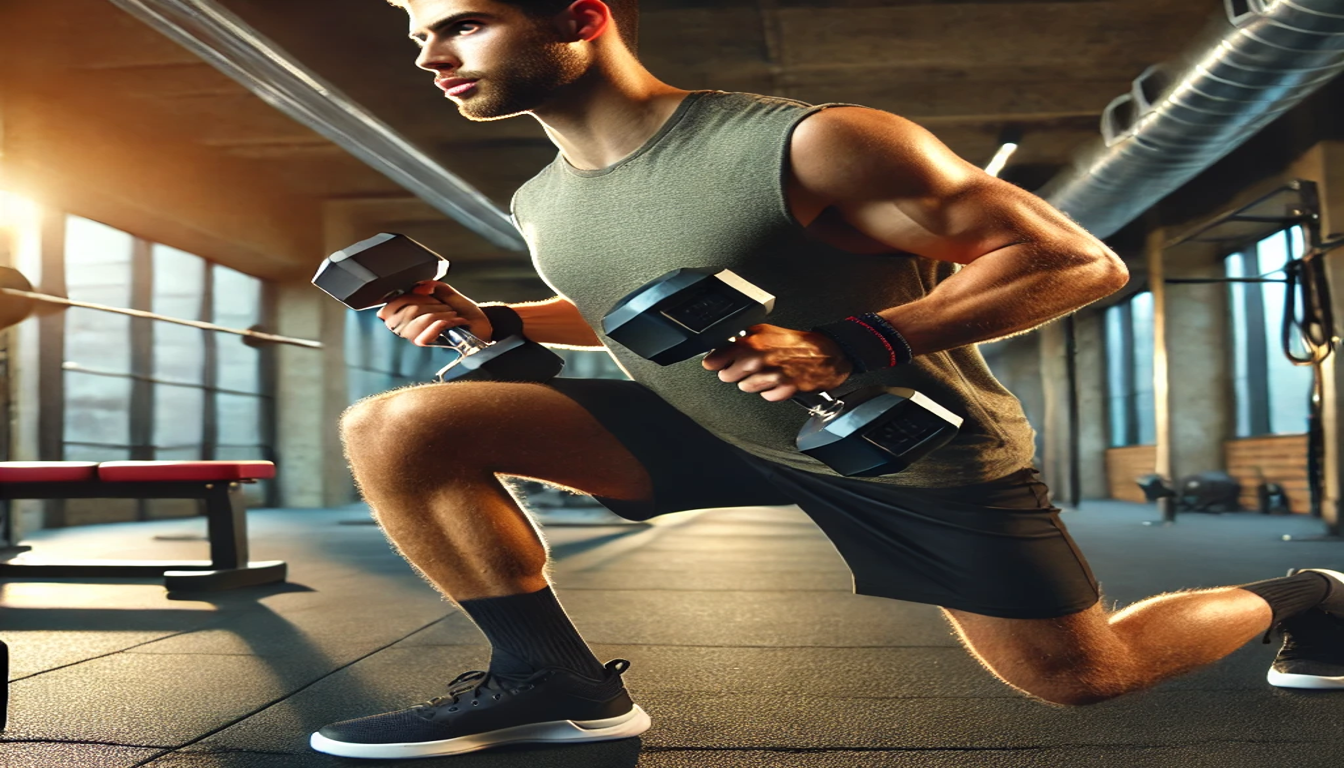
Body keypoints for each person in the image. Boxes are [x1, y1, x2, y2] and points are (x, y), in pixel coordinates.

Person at [310, 0, 1344, 760]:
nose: (431, 54)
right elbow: (639, 311)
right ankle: (550, 677)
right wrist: (493, 321)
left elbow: (1079, 263)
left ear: (581, 17)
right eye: (418, 36)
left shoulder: (813, 142)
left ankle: (1307, 595)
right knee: (401, 425)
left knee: (1082, 678)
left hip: (905, 442)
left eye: (465, 24)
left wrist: (852, 343)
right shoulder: (542, 199)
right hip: (709, 424)